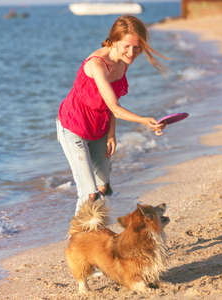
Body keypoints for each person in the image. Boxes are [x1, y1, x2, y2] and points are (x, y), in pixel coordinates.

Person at [56, 15, 168, 214]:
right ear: (114, 41)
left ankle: (97, 231)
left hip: (98, 128)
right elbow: (115, 107)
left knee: (103, 187)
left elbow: (111, 103)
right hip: (73, 128)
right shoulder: (97, 65)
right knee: (89, 193)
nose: (132, 53)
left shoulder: (123, 63)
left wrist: (111, 133)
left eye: (137, 47)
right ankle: (77, 240)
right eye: (127, 46)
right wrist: (144, 121)